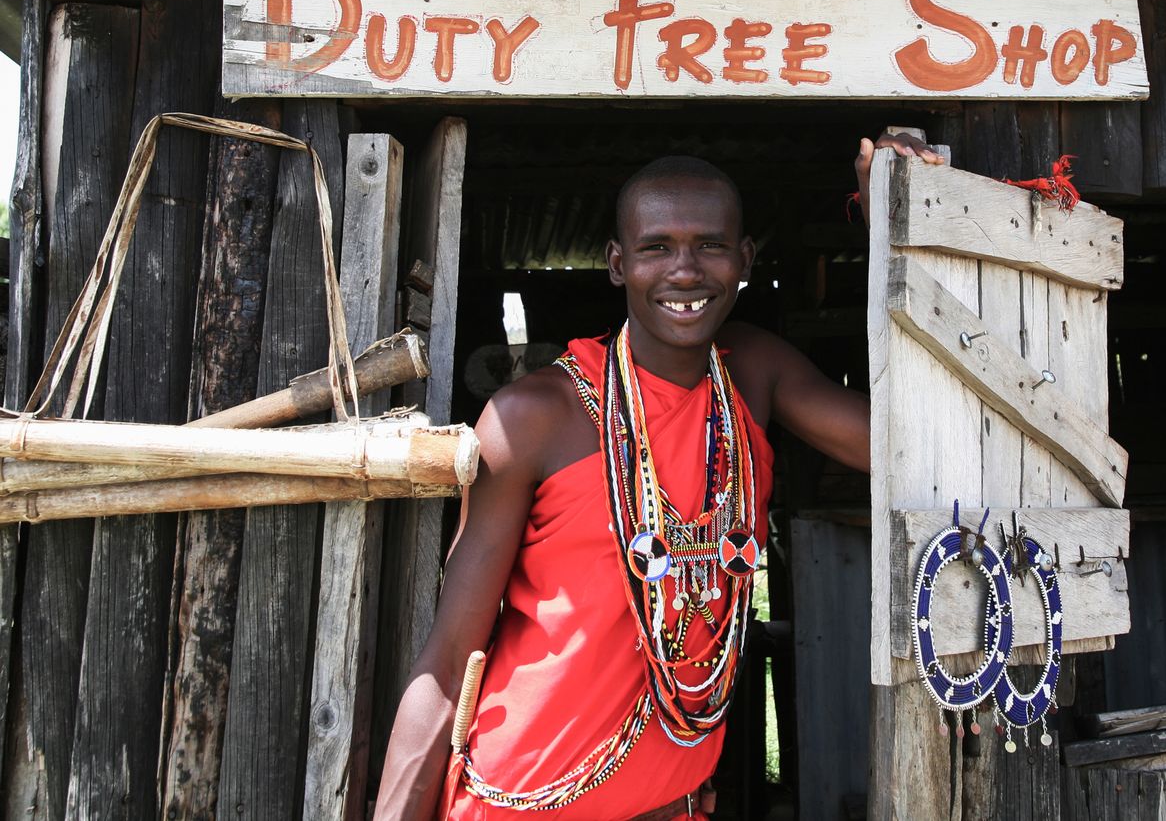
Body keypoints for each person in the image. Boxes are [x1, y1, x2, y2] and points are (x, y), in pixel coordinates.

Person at [374, 134, 942, 821]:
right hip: (521, 803)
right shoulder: (533, 417)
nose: (685, 270)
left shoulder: (752, 375)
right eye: (656, 247)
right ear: (618, 263)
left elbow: (910, 444)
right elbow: (448, 657)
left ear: (744, 260)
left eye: (709, 245)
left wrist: (908, 216)